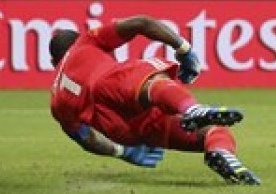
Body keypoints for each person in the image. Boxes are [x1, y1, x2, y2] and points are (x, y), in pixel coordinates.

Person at [49, 16, 259, 185]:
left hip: (121, 130)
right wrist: (184, 49)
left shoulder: (56, 100)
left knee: (213, 128)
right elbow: (142, 24)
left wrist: (123, 151)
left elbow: (85, 137)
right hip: (108, 85)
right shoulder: (84, 43)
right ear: (76, 41)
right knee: (151, 77)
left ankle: (220, 154)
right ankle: (193, 110)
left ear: (53, 62)